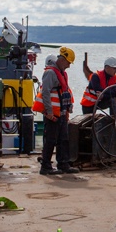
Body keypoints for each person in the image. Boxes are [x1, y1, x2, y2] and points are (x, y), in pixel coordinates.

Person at [32, 46, 78, 175]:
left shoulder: (62, 73)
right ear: (62, 60)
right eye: (68, 63)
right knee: (51, 140)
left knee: (63, 139)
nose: (69, 66)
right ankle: (45, 166)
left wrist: (68, 108)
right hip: (53, 113)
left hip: (61, 113)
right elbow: (46, 92)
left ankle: (63, 164)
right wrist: (49, 112)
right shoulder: (50, 73)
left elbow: (64, 92)